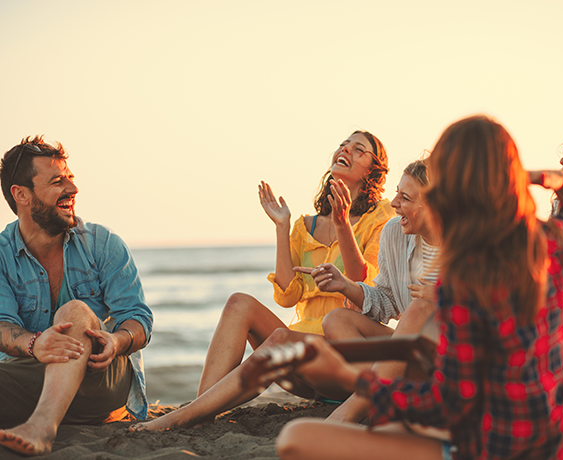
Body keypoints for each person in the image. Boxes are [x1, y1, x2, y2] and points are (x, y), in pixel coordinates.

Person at [274, 115, 563, 460]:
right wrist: (544, 177)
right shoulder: (557, 242)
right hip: (556, 445)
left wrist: (350, 378)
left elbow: (447, 402)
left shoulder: (463, 280)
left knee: (297, 437)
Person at [130, 130, 394, 431]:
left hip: (342, 364)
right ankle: (201, 407)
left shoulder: (381, 218)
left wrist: (343, 222)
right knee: (239, 303)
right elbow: (286, 296)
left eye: (358, 149)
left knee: (280, 341)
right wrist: (282, 227)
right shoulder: (304, 226)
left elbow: (362, 280)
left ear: (373, 170)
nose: (345, 149)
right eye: (343, 144)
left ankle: (185, 415)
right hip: (304, 367)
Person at [0, 136, 153, 456]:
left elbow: (137, 319)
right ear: (21, 194)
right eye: (58, 181)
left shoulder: (103, 244)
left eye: (70, 178)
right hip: (30, 379)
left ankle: (42, 426)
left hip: (99, 380)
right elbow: (2, 325)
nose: (72, 189)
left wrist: (116, 341)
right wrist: (35, 343)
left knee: (75, 313)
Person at [305, 158, 441, 423]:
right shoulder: (395, 232)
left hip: (456, 358)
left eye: (405, 197)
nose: (394, 204)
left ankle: (361, 405)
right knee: (337, 320)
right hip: (410, 356)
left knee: (419, 307)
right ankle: (403, 391)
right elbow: (387, 300)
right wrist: (346, 285)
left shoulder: (471, 245)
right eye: (396, 193)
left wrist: (447, 298)